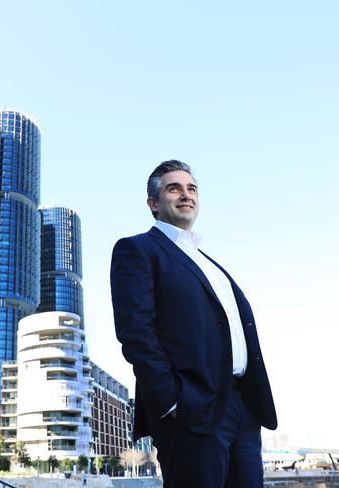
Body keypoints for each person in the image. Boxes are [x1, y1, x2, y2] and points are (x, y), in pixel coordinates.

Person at [110, 160, 277, 488]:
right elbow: (136, 331)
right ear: (154, 204)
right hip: (192, 409)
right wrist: (171, 402)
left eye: (191, 188)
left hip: (243, 409)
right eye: (174, 188)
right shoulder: (138, 250)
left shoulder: (207, 261)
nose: (186, 195)